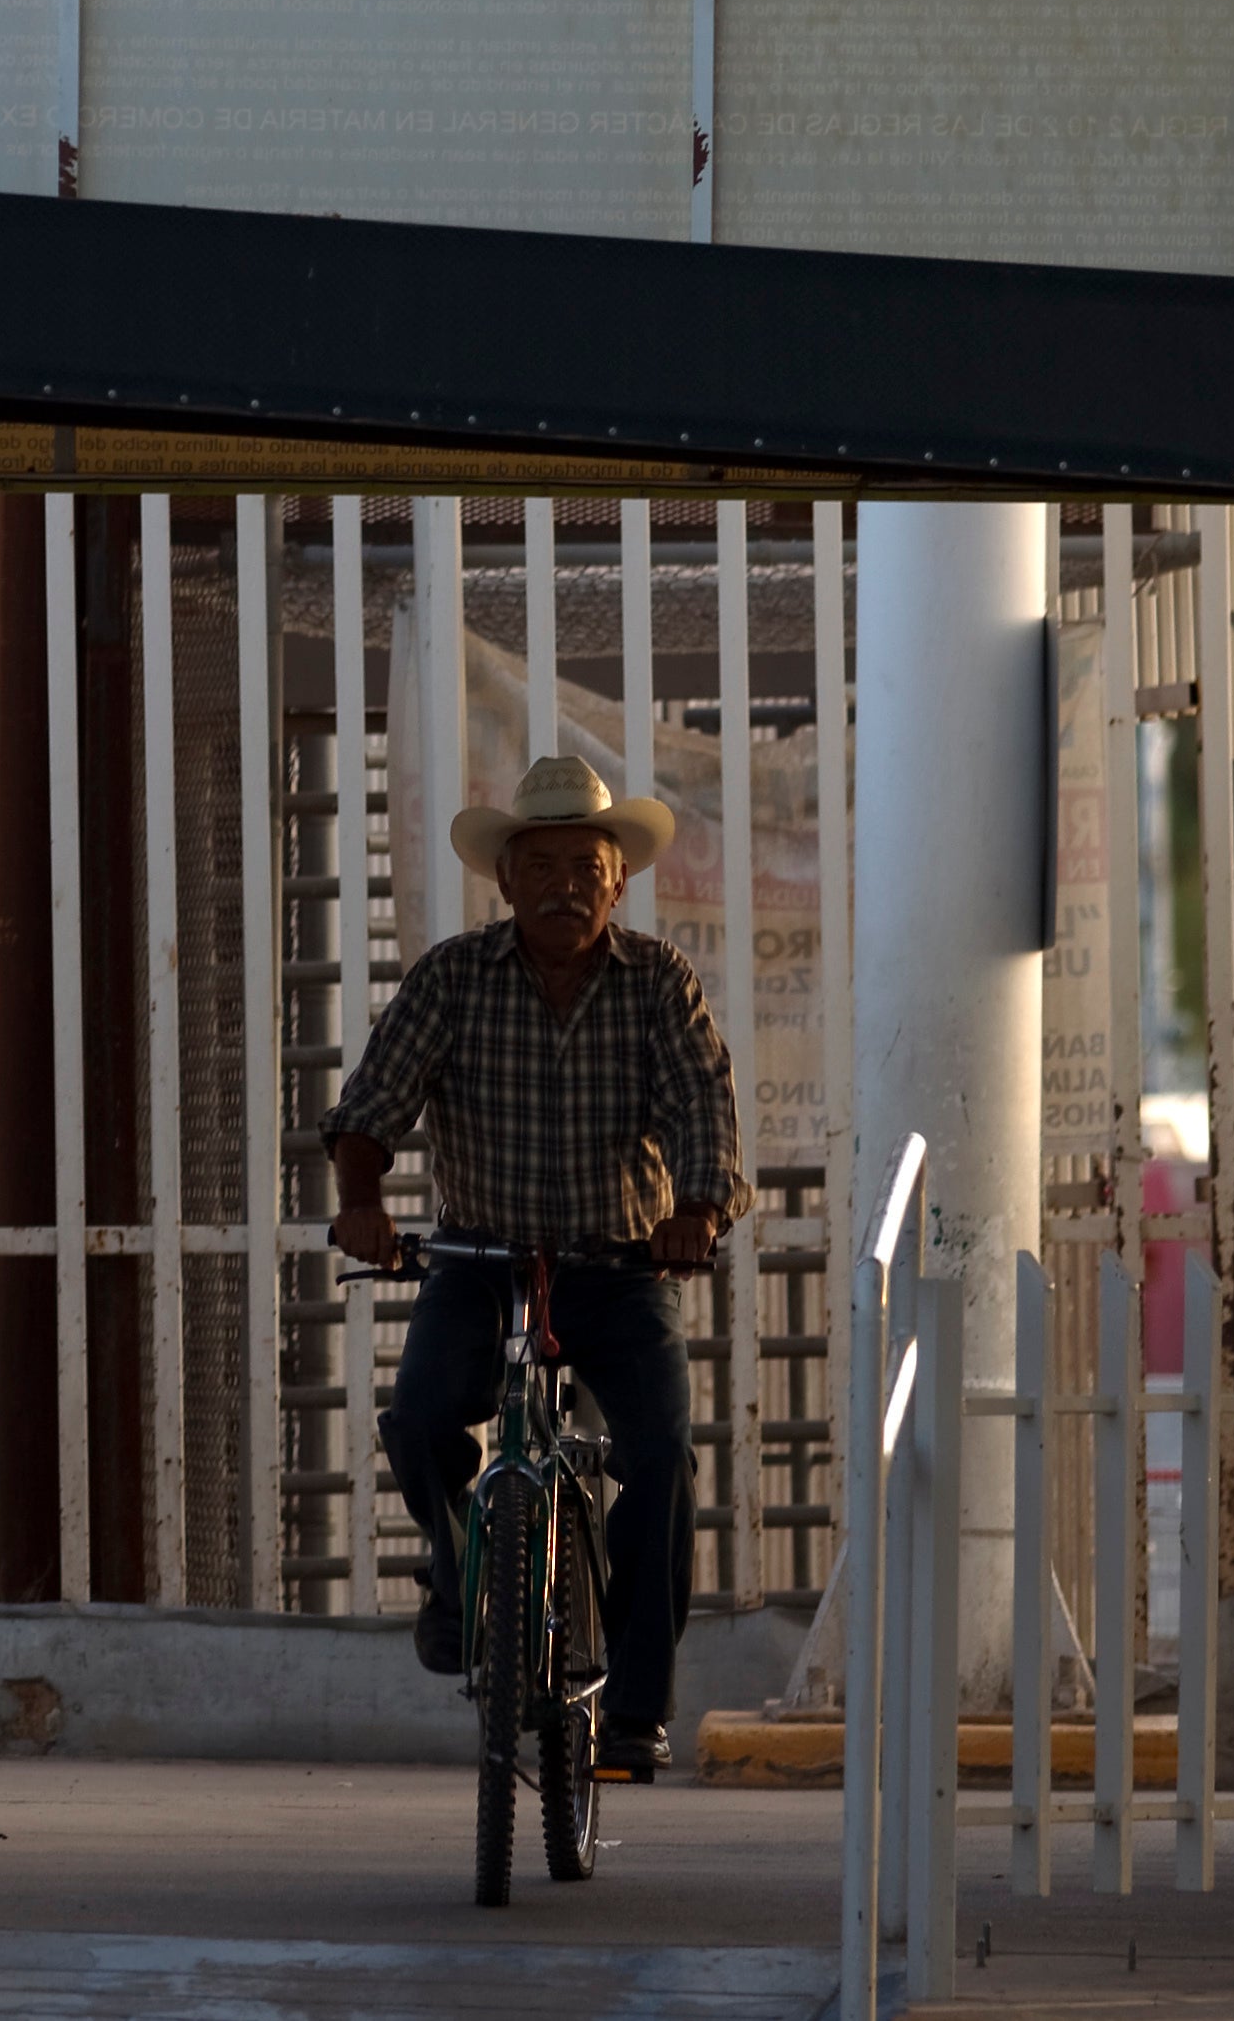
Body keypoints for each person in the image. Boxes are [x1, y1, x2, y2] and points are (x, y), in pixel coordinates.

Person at [323, 755, 750, 1777]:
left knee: (660, 1458)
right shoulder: (452, 977)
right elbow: (370, 1106)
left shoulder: (658, 982)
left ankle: (637, 1711)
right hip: (481, 1261)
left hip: (619, 1268)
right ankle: (459, 1573)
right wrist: (362, 1202)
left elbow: (703, 1109)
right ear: (505, 879)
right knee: (419, 1419)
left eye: (586, 867)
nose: (565, 887)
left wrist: (696, 1212)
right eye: (542, 867)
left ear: (619, 880)